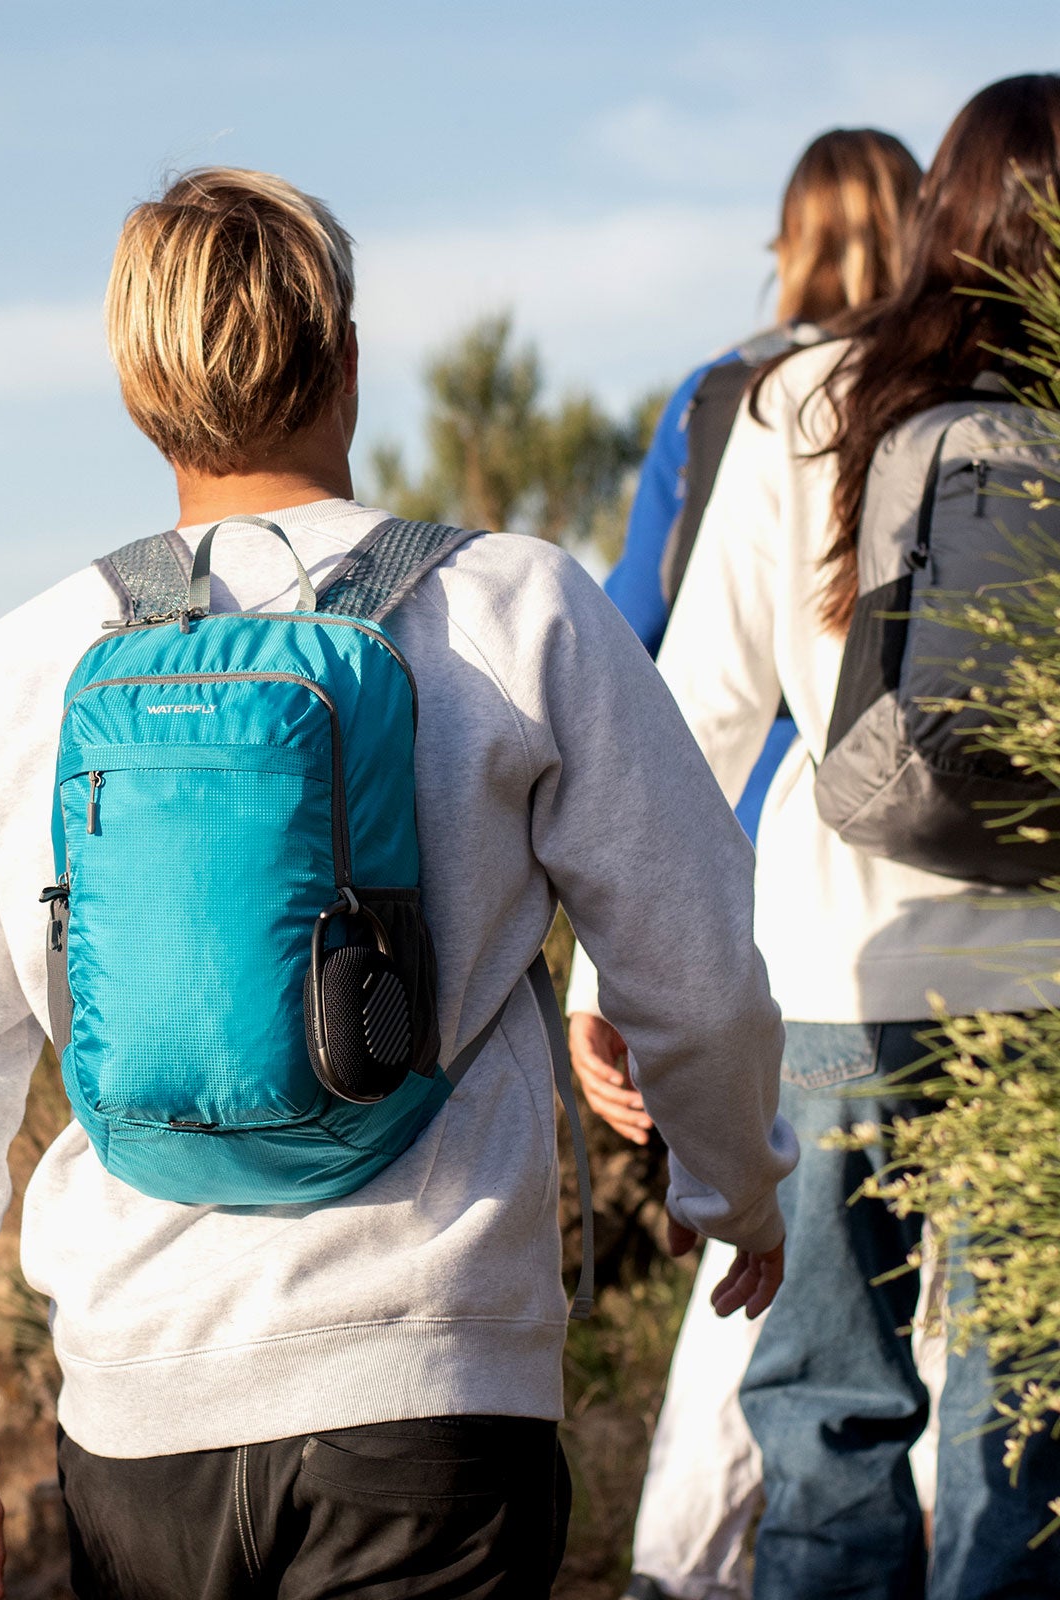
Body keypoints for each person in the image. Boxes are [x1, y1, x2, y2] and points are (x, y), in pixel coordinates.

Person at [0, 167, 796, 1600]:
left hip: (139, 1412)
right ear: (347, 358)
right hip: (432, 1387)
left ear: (136, 394)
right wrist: (734, 1188)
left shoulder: (21, 667)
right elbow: (697, 963)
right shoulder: (518, 608)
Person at [578, 76, 1060, 1600]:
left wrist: (607, 980)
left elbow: (689, 720)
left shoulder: (804, 401)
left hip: (837, 986)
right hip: (1047, 1016)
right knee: (1022, 1453)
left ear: (940, 212)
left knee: (824, 1420)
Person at [567, 128, 922, 1600]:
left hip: (763, 882)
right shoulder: (971, 384)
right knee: (942, 1332)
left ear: (784, 243)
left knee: (765, 1262)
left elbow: (646, 655)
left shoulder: (731, 397)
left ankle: (679, 1570)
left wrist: (601, 946)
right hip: (951, 897)